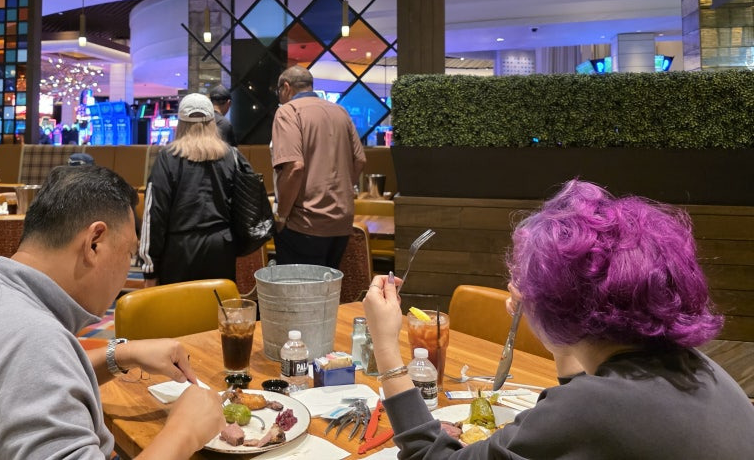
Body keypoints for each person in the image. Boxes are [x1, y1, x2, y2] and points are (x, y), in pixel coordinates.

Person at [363, 179, 754, 459]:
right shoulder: (695, 367)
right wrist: (558, 328)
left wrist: (386, 348)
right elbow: (580, 401)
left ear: (559, 304)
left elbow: (430, 455)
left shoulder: (592, 408)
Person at [0, 165, 224, 460]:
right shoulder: (32, 344)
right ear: (94, 243)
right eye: (129, 253)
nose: (128, 269)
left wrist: (122, 354)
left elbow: (23, 383)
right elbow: (33, 367)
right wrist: (185, 430)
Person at [139, 92, 239, 285]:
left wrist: (149, 269)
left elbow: (154, 214)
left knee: (179, 304)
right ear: (212, 122)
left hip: (179, 249)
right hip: (221, 247)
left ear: (181, 123)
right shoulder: (231, 155)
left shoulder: (168, 157)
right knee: (217, 303)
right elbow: (243, 204)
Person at [271, 66, 365, 269]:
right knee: (329, 286)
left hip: (304, 223)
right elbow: (359, 160)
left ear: (286, 87)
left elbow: (295, 167)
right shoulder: (340, 111)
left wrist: (282, 216)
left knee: (299, 288)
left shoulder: (288, 111)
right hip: (341, 222)